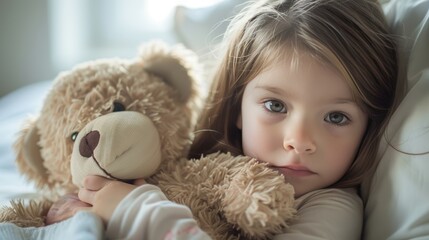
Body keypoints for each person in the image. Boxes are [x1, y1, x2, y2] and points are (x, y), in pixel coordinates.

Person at [48, 0, 398, 239]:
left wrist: (133, 209)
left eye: (336, 116)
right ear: (237, 107)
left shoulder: (332, 208)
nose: (299, 140)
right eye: (276, 106)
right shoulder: (194, 167)